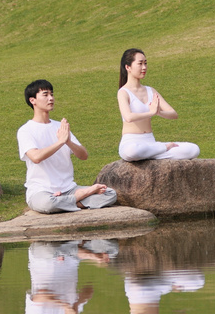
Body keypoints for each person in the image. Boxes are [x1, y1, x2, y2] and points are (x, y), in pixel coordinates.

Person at [17, 79, 117, 213]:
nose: (51, 98)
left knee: (110, 194)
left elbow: (83, 155)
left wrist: (68, 141)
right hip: (41, 191)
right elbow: (36, 157)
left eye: (52, 94)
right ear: (32, 100)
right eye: (45, 95)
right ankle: (80, 197)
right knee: (47, 204)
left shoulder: (60, 126)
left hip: (68, 189)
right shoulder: (26, 130)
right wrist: (60, 142)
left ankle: (68, 201)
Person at [117, 49, 200, 162]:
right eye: (140, 63)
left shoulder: (150, 91)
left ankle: (153, 152)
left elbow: (173, 114)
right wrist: (150, 112)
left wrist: (158, 112)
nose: (144, 67)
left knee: (193, 149)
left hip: (150, 142)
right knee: (131, 152)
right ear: (128, 67)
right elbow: (128, 117)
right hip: (132, 142)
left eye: (145, 63)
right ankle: (162, 149)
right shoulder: (123, 92)